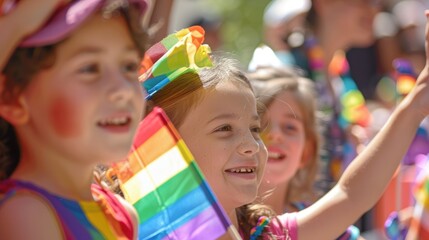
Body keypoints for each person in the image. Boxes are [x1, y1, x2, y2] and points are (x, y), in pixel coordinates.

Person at [137, 12, 429, 238]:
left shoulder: (267, 234)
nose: (253, 145)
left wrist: (418, 101)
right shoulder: (141, 230)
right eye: (224, 129)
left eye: (253, 128)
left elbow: (351, 195)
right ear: (169, 144)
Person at [0, 0, 149, 239]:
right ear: (14, 99)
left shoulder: (123, 214)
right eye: (90, 68)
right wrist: (17, 23)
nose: (122, 88)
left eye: (129, 66)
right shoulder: (26, 214)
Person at [248, 66, 361, 239]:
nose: (275, 135)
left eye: (289, 127)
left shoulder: (326, 225)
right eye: (260, 125)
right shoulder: (218, 224)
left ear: (306, 151)